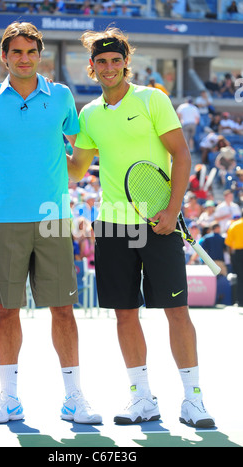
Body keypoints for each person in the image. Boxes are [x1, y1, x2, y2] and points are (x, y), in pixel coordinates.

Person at [67, 27, 215, 428]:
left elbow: (181, 156)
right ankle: (142, 399)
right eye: (102, 62)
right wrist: (38, 145)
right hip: (112, 227)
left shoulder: (153, 99)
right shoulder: (89, 114)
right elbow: (76, 169)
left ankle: (193, 401)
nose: (110, 67)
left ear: (125, 62)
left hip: (159, 223)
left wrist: (172, 209)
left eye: (116, 60)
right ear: (92, 67)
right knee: (125, 314)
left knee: (176, 311)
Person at [0, 22, 102, 425]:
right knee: (6, 311)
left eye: (30, 52)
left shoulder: (61, 97)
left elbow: (80, 153)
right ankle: (8, 399)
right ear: (4, 57)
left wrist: (71, 174)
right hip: (5, 221)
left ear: (39, 55)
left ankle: (75, 398)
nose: (24, 59)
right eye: (16, 52)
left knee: (63, 310)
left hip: (54, 219)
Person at [225, 210, 243, 309]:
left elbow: (228, 244)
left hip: (238, 253)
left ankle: (240, 301)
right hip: (238, 253)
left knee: (240, 277)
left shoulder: (234, 225)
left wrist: (231, 257)